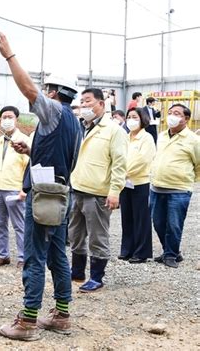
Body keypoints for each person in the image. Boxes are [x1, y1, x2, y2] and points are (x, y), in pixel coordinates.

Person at [0, 31, 81, 341]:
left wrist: (9, 56)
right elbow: (61, 158)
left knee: (34, 255)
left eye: (48, 90)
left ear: (56, 92)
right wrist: (31, 151)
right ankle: (62, 314)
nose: (44, 93)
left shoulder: (54, 110)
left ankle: (27, 321)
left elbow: (28, 89)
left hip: (43, 197)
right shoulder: (73, 121)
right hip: (59, 195)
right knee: (57, 255)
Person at [69, 88, 128, 292]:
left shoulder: (114, 131)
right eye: (82, 102)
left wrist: (115, 191)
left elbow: (120, 164)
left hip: (98, 192)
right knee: (75, 234)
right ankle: (77, 271)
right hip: (77, 188)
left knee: (97, 236)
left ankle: (96, 277)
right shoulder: (79, 128)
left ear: (101, 104)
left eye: (88, 101)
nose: (84, 106)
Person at [150, 104, 200, 268]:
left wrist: (187, 179)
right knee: (158, 222)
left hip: (179, 189)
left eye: (177, 113)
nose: (171, 116)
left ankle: (170, 255)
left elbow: (198, 164)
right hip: (156, 187)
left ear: (186, 119)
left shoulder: (193, 140)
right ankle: (170, 251)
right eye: (170, 113)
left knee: (174, 224)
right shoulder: (162, 135)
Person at [0, 105, 30, 269]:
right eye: (4, 117)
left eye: (9, 117)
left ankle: (23, 256)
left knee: (19, 225)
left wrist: (24, 189)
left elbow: (29, 166)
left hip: (15, 189)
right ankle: (3, 255)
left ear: (16, 119)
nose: (6, 120)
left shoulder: (24, 140)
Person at [118, 108, 156, 263]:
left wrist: (124, 172)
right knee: (126, 217)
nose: (131, 119)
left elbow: (143, 160)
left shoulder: (146, 138)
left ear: (142, 119)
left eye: (135, 117)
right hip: (124, 183)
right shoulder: (125, 137)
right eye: (129, 117)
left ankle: (141, 252)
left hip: (139, 182)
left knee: (141, 218)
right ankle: (127, 249)